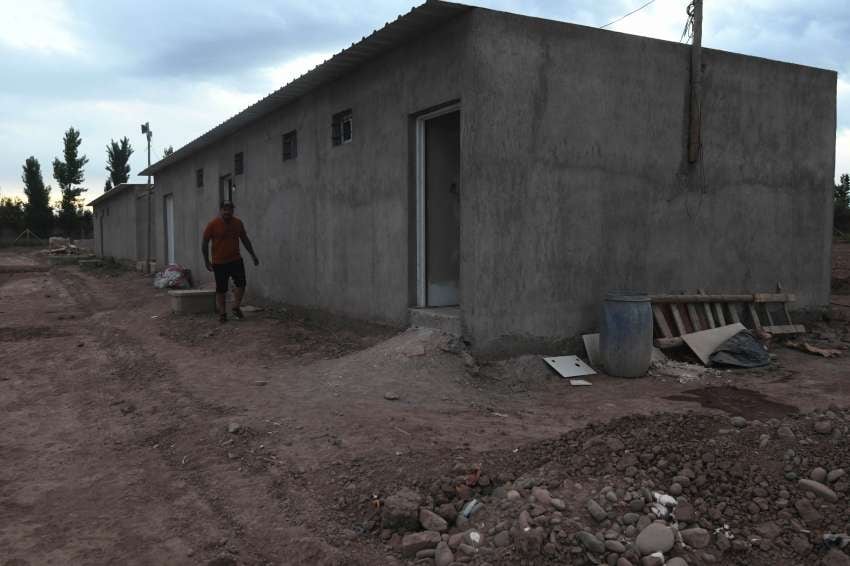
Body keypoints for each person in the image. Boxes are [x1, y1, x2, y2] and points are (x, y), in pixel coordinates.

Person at [201, 201, 259, 322]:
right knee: (221, 289)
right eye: (225, 209)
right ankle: (222, 313)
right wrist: (207, 261)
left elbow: (245, 239)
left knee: (241, 284)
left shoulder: (238, 223)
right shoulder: (212, 225)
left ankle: (235, 307)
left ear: (233, 210)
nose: (227, 212)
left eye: (230, 209)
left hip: (235, 260)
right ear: (221, 210)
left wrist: (253, 255)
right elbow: (205, 243)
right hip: (219, 262)